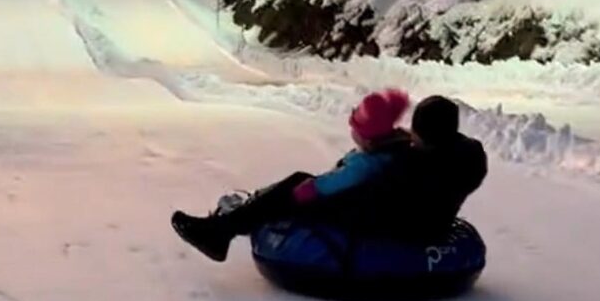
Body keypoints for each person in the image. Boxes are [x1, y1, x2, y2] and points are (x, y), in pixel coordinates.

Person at [171, 93, 486, 262]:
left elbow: (369, 183)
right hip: (418, 220)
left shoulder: (414, 165)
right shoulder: (463, 157)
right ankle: (227, 225)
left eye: (414, 134)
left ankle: (220, 232)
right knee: (300, 185)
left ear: (424, 136)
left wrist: (311, 194)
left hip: (386, 223)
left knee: (295, 186)